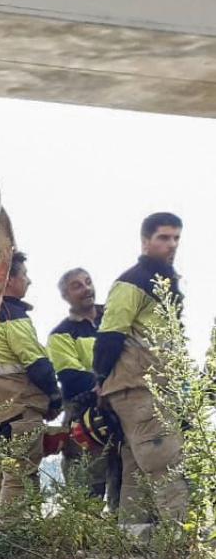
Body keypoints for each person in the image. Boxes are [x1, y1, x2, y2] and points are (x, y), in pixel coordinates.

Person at [94, 213, 189, 526]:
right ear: (146, 240)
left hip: (148, 387)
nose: (171, 244)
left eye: (176, 237)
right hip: (138, 388)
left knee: (137, 464)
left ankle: (134, 549)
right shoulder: (132, 282)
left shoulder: (164, 281)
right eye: (164, 237)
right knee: (165, 465)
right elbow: (109, 336)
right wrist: (100, 380)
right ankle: (186, 551)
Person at [0, 251, 60, 511]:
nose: (29, 281)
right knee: (19, 477)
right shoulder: (14, 317)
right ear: (8, 279)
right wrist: (55, 396)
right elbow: (37, 364)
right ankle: (15, 540)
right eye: (24, 274)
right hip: (19, 408)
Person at [48, 268, 119, 505]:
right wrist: (114, 382)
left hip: (121, 414)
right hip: (84, 419)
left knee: (126, 488)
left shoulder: (115, 319)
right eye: (77, 285)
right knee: (86, 496)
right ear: (65, 296)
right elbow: (72, 377)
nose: (86, 288)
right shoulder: (61, 334)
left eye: (88, 282)